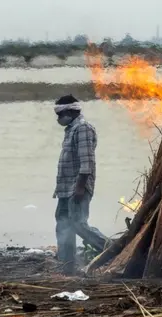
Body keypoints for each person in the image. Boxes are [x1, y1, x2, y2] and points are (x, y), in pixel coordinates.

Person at [53, 94, 108, 275]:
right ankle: (67, 264)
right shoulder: (71, 129)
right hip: (65, 188)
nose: (58, 118)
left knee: (78, 224)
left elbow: (87, 163)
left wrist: (80, 187)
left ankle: (111, 250)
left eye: (60, 114)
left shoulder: (83, 129)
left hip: (77, 188)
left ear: (71, 111)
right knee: (63, 224)